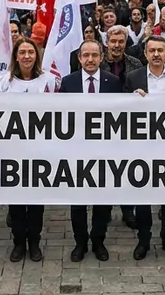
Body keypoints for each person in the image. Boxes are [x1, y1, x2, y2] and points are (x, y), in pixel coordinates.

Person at [123, 36, 165, 261]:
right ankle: (143, 240)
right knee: (142, 199)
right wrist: (131, 100)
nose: (157, 54)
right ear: (145, 53)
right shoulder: (133, 78)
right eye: (152, 50)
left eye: (161, 50)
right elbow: (120, 113)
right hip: (142, 148)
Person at [59, 39, 121, 262]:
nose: (90, 59)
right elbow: (60, 118)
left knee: (102, 201)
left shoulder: (113, 82)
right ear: (79, 58)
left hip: (105, 152)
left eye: (95, 55)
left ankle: (98, 241)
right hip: (76, 152)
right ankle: (80, 242)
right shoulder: (68, 82)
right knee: (78, 201)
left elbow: (122, 116)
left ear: (101, 57)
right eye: (86, 55)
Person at [0, 38, 56, 262]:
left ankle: (34, 242)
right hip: (13, 151)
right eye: (21, 52)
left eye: (30, 52)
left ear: (37, 56)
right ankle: (18, 242)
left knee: (35, 201)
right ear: (15, 56)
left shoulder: (48, 81)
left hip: (39, 151)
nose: (26, 56)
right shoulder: (5, 82)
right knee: (16, 200)